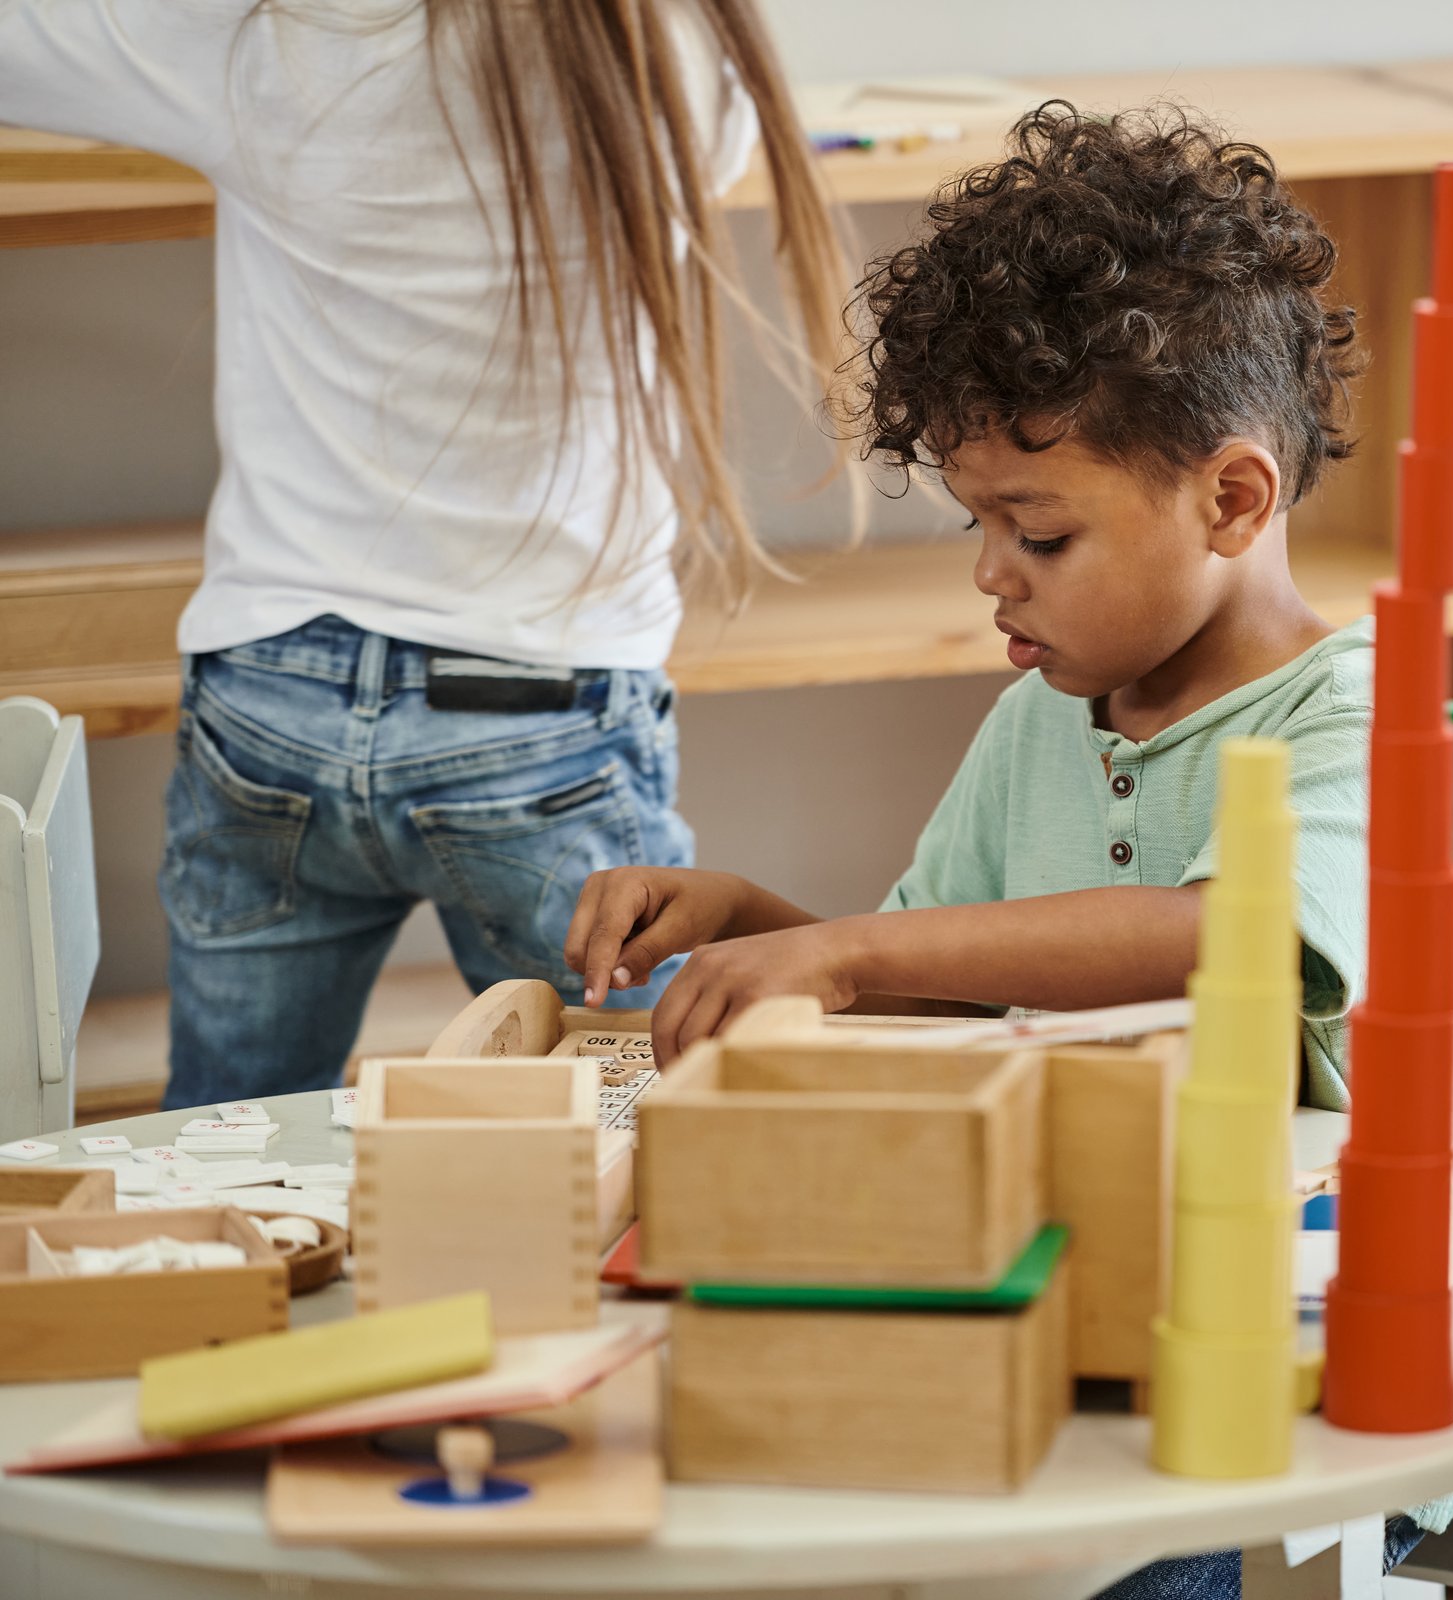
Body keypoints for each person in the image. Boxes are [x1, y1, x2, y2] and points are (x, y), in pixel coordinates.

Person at [0, 0, 853, 1108]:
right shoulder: (666, 57)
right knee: (632, 1144)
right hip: (542, 720)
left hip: (273, 705)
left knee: (221, 1148)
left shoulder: (266, 42)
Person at [570, 102, 1375, 1111]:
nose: (995, 575)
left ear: (1232, 501)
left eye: (1039, 535)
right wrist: (749, 925)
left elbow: (1227, 937)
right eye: (978, 528)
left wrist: (846, 951)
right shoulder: (1040, 718)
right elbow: (938, 996)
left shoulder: (1363, 715)